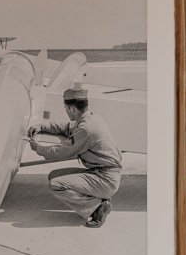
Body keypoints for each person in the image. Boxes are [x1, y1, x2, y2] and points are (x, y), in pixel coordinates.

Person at [28, 86, 122, 228]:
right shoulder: (91, 119)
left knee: (56, 184)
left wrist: (38, 148)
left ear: (71, 108)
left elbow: (62, 151)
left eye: (66, 109)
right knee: (54, 175)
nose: (66, 112)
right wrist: (42, 126)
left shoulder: (86, 128)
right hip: (103, 172)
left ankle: (97, 207)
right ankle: (97, 197)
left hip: (106, 179)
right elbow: (67, 127)